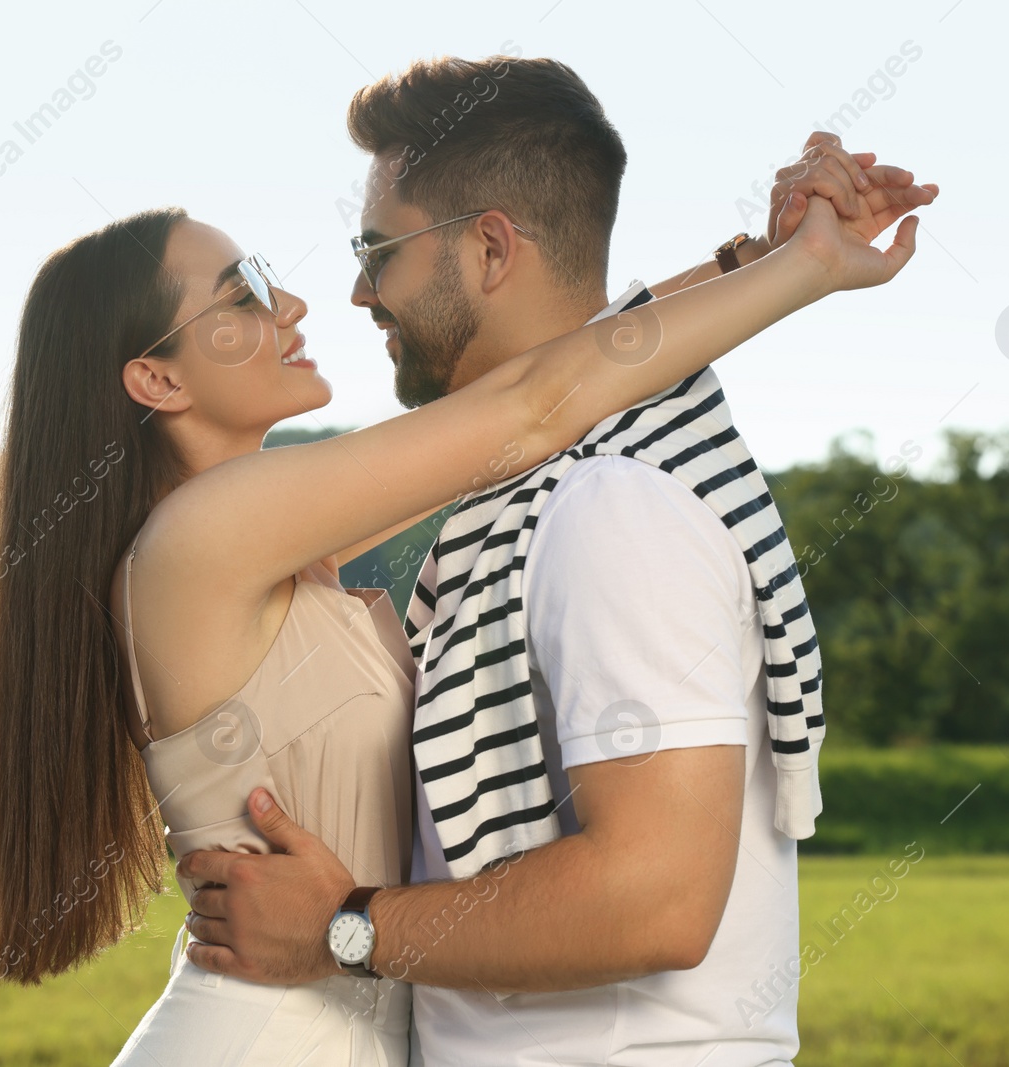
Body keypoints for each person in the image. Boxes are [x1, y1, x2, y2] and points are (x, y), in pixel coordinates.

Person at [176, 57, 935, 1066]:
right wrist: (785, 267)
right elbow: (536, 401)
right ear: (146, 373)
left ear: (491, 247)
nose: (336, 297)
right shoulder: (214, 530)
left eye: (375, 250)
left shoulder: (602, 507)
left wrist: (343, 925)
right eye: (245, 294)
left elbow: (655, 899)